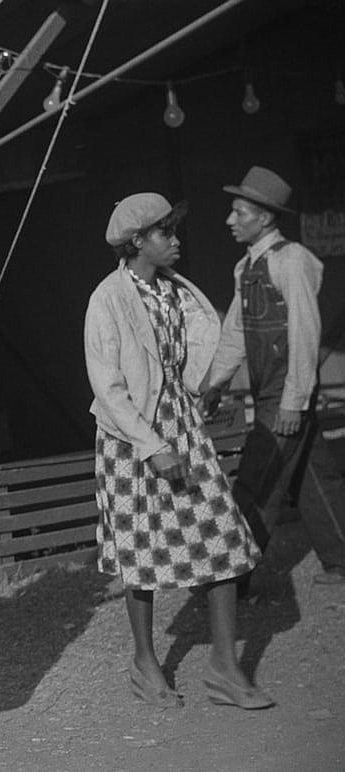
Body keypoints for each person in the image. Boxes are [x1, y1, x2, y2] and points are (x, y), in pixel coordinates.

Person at [84, 192, 271, 710]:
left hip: (183, 426)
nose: (175, 240)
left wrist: (200, 394)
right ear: (137, 241)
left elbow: (193, 356)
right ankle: (146, 662)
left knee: (224, 537)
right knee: (139, 549)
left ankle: (225, 670)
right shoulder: (109, 298)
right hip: (132, 438)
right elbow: (108, 385)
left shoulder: (175, 292)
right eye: (165, 232)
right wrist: (151, 445)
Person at [202, 165, 345, 587]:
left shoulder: (293, 261)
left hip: (284, 391)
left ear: (264, 218)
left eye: (239, 213)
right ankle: (340, 556)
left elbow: (305, 331)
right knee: (312, 473)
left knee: (258, 479)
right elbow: (236, 332)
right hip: (269, 388)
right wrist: (217, 382)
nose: (230, 221)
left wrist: (293, 401)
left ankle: (231, 578)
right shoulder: (245, 268)